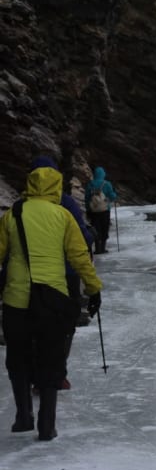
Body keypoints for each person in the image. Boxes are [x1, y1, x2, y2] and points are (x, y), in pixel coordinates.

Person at [0, 160, 102, 440]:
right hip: (54, 298)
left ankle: (23, 416)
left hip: (17, 298)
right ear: (56, 186)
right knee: (51, 357)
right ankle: (47, 424)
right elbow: (80, 256)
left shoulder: (13, 214)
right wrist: (93, 289)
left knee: (17, 357)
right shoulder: (62, 215)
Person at [85, 166, 117, 254]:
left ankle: (97, 249)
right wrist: (114, 193)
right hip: (105, 210)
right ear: (103, 174)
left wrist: (88, 209)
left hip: (93, 211)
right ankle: (103, 248)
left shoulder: (90, 184)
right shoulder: (106, 184)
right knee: (104, 228)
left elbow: (87, 198)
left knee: (95, 229)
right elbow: (112, 196)